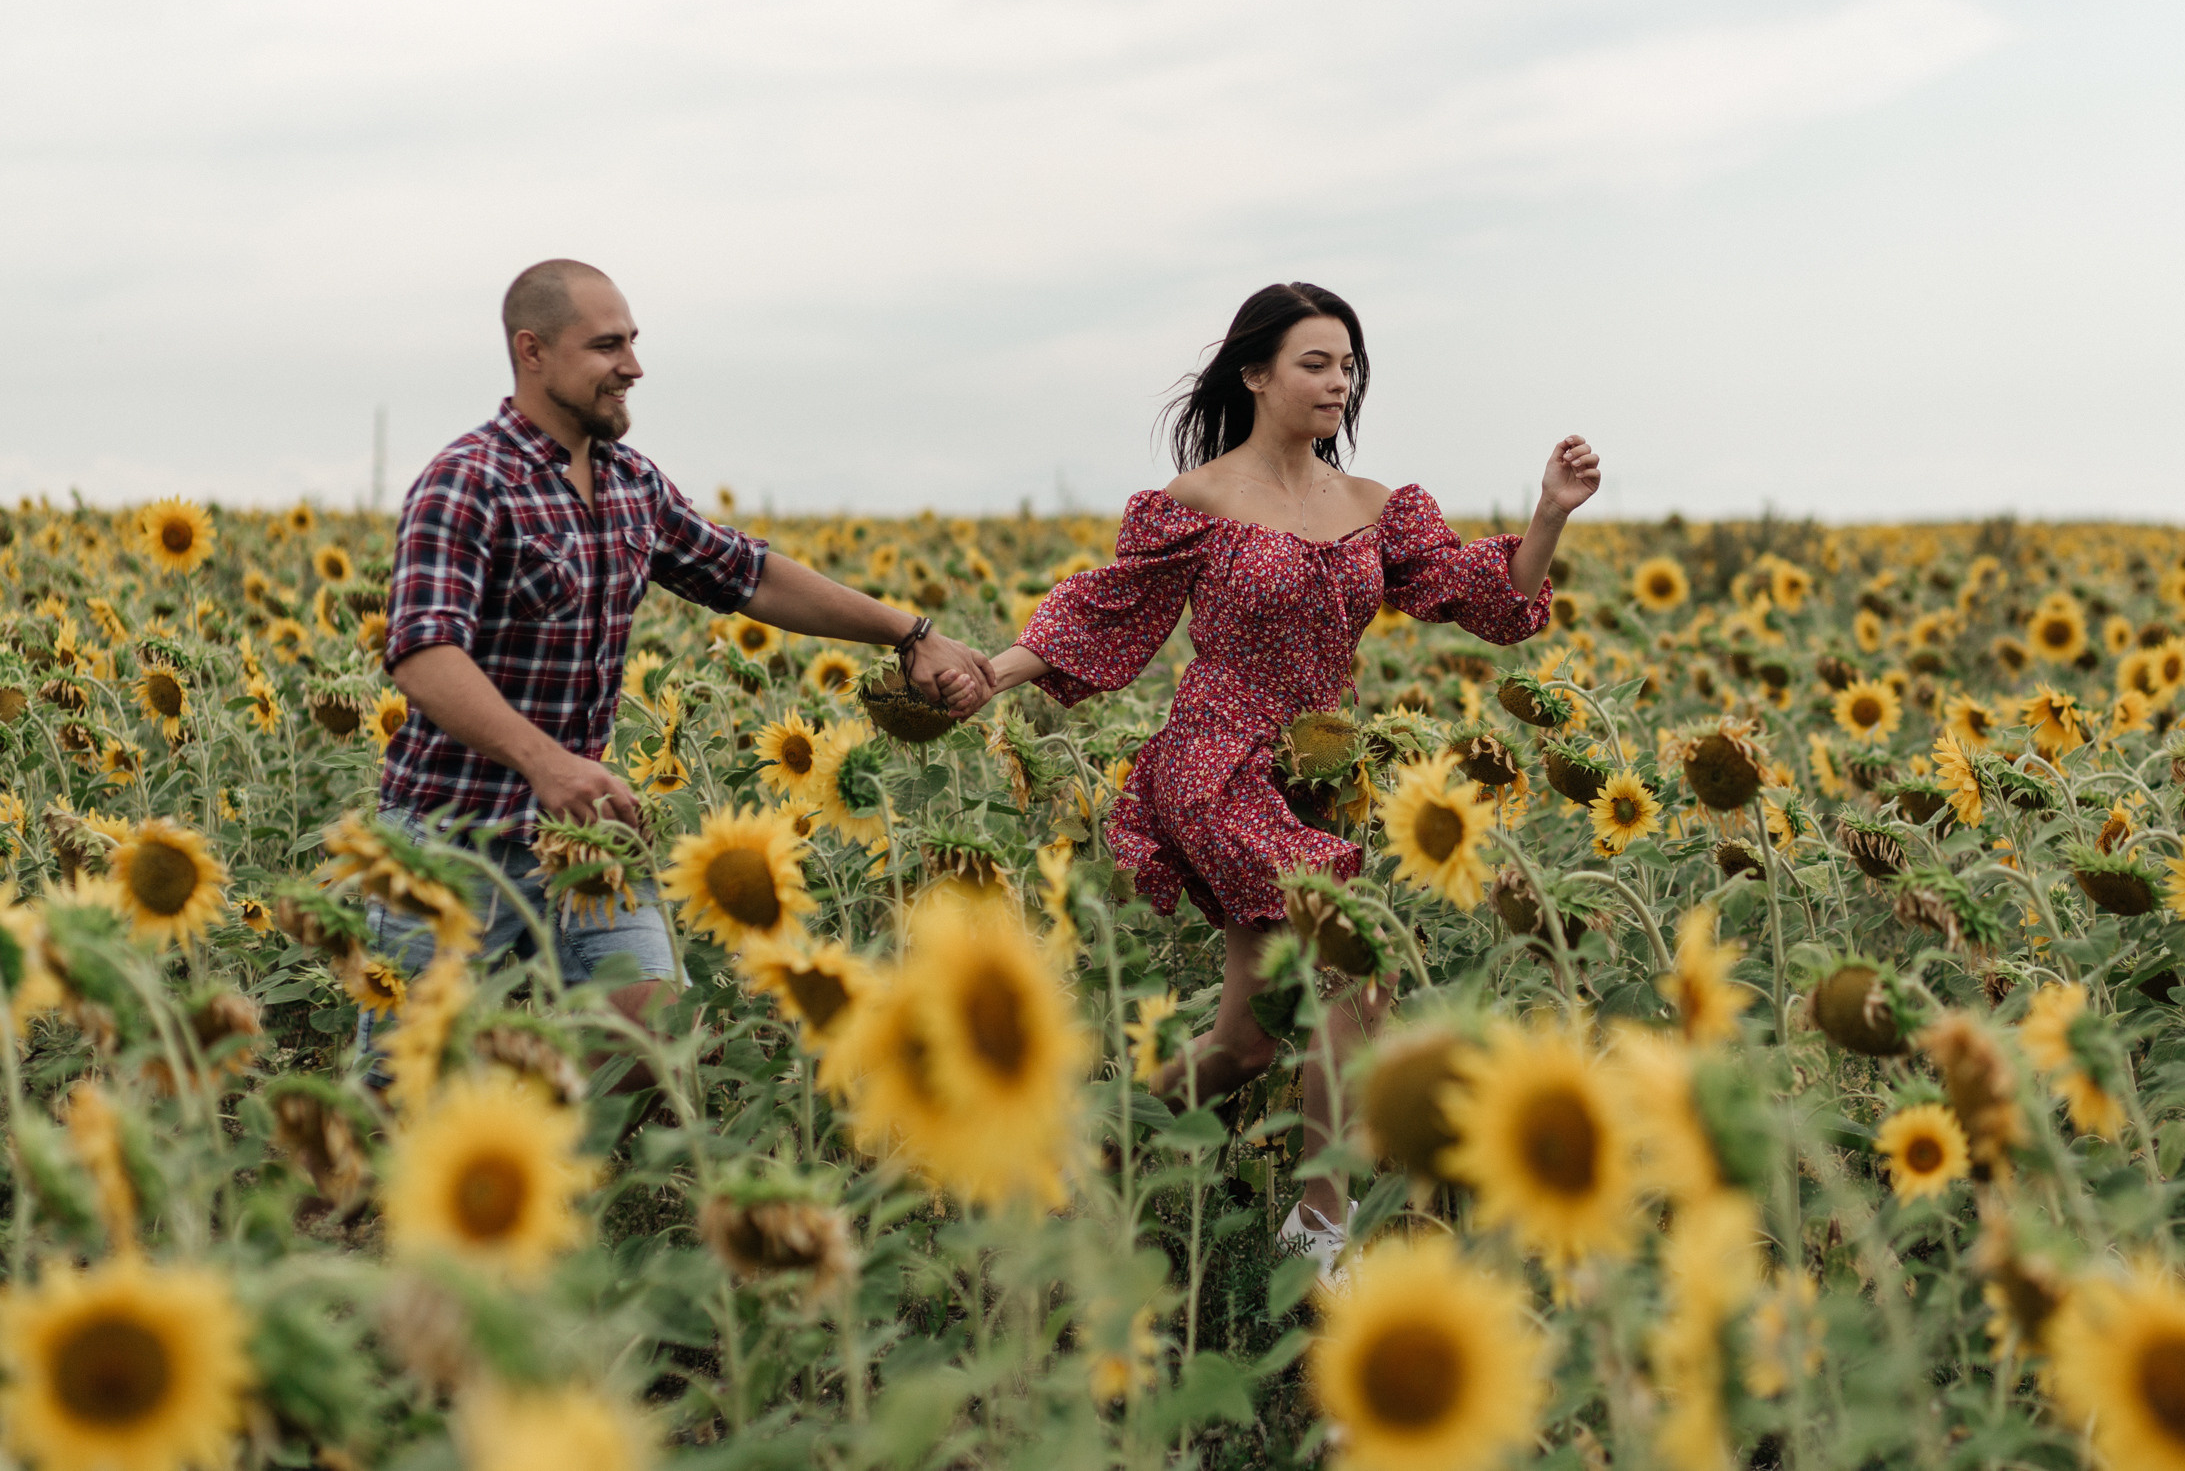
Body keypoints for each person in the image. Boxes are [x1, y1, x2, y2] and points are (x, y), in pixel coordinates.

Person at [941, 281, 1599, 1277]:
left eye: (1348, 366)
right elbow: (1104, 609)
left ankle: (1082, 1160)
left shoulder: (1375, 508)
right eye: (1315, 363)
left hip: (1316, 776)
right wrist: (995, 672)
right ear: (1254, 373)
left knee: (1246, 1044)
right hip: (1215, 762)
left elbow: (1491, 602)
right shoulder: (1199, 502)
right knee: (1354, 960)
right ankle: (1320, 1232)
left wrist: (1548, 513)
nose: (1338, 382)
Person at [368, 258, 993, 1065]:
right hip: (452, 838)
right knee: (406, 1084)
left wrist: (909, 633)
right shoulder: (467, 483)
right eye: (606, 345)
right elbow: (423, 651)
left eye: (632, 341)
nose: (632, 366)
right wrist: (545, 762)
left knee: (655, 1042)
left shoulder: (631, 484)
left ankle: (549, 1142)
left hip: (581, 834)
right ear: (532, 351)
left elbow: (750, 575)